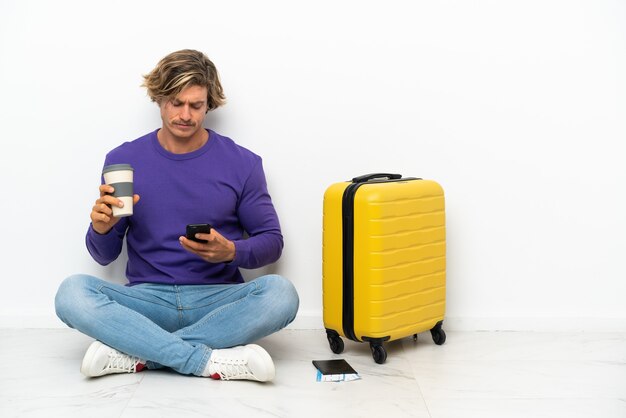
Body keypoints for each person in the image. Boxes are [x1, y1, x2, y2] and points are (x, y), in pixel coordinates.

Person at [55, 49, 299, 382]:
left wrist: (232, 251)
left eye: (196, 105)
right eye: (176, 103)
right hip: (147, 301)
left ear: (209, 104)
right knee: (71, 294)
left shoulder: (242, 163)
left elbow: (272, 243)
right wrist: (101, 229)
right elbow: (104, 256)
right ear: (159, 99)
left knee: (282, 295)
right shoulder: (125, 160)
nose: (185, 115)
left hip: (217, 302)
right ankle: (203, 360)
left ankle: (139, 355)